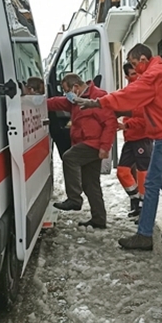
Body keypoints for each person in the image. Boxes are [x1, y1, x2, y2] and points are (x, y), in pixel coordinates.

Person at [76, 44, 162, 250]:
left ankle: (144, 235)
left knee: (152, 184)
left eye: (135, 64)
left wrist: (98, 103)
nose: (135, 70)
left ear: (144, 59)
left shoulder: (153, 74)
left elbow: (130, 94)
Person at [49, 73, 117, 228]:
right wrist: (37, 102)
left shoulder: (98, 97)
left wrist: (105, 147)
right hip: (86, 143)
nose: (67, 95)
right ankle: (99, 219)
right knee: (91, 184)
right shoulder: (75, 101)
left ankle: (74, 199)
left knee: (69, 158)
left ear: (76, 87)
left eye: (67, 91)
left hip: (93, 144)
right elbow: (57, 103)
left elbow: (110, 123)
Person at [117, 63, 153, 221]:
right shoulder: (129, 92)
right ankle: (137, 200)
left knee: (143, 175)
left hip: (142, 138)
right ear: (126, 77)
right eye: (132, 74)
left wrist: (127, 124)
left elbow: (145, 119)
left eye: (136, 73)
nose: (136, 76)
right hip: (131, 137)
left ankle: (144, 209)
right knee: (122, 172)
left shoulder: (143, 91)